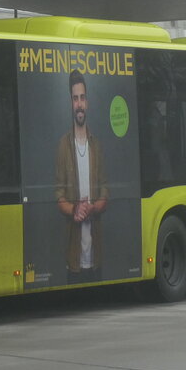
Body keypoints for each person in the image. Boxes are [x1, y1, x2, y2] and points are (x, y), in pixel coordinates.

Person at [54, 70, 109, 284]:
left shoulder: (97, 146)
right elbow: (58, 193)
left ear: (88, 102)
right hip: (74, 256)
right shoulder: (62, 146)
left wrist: (93, 208)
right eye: (75, 98)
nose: (79, 104)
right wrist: (74, 210)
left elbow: (105, 190)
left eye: (82, 98)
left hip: (96, 256)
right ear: (71, 103)